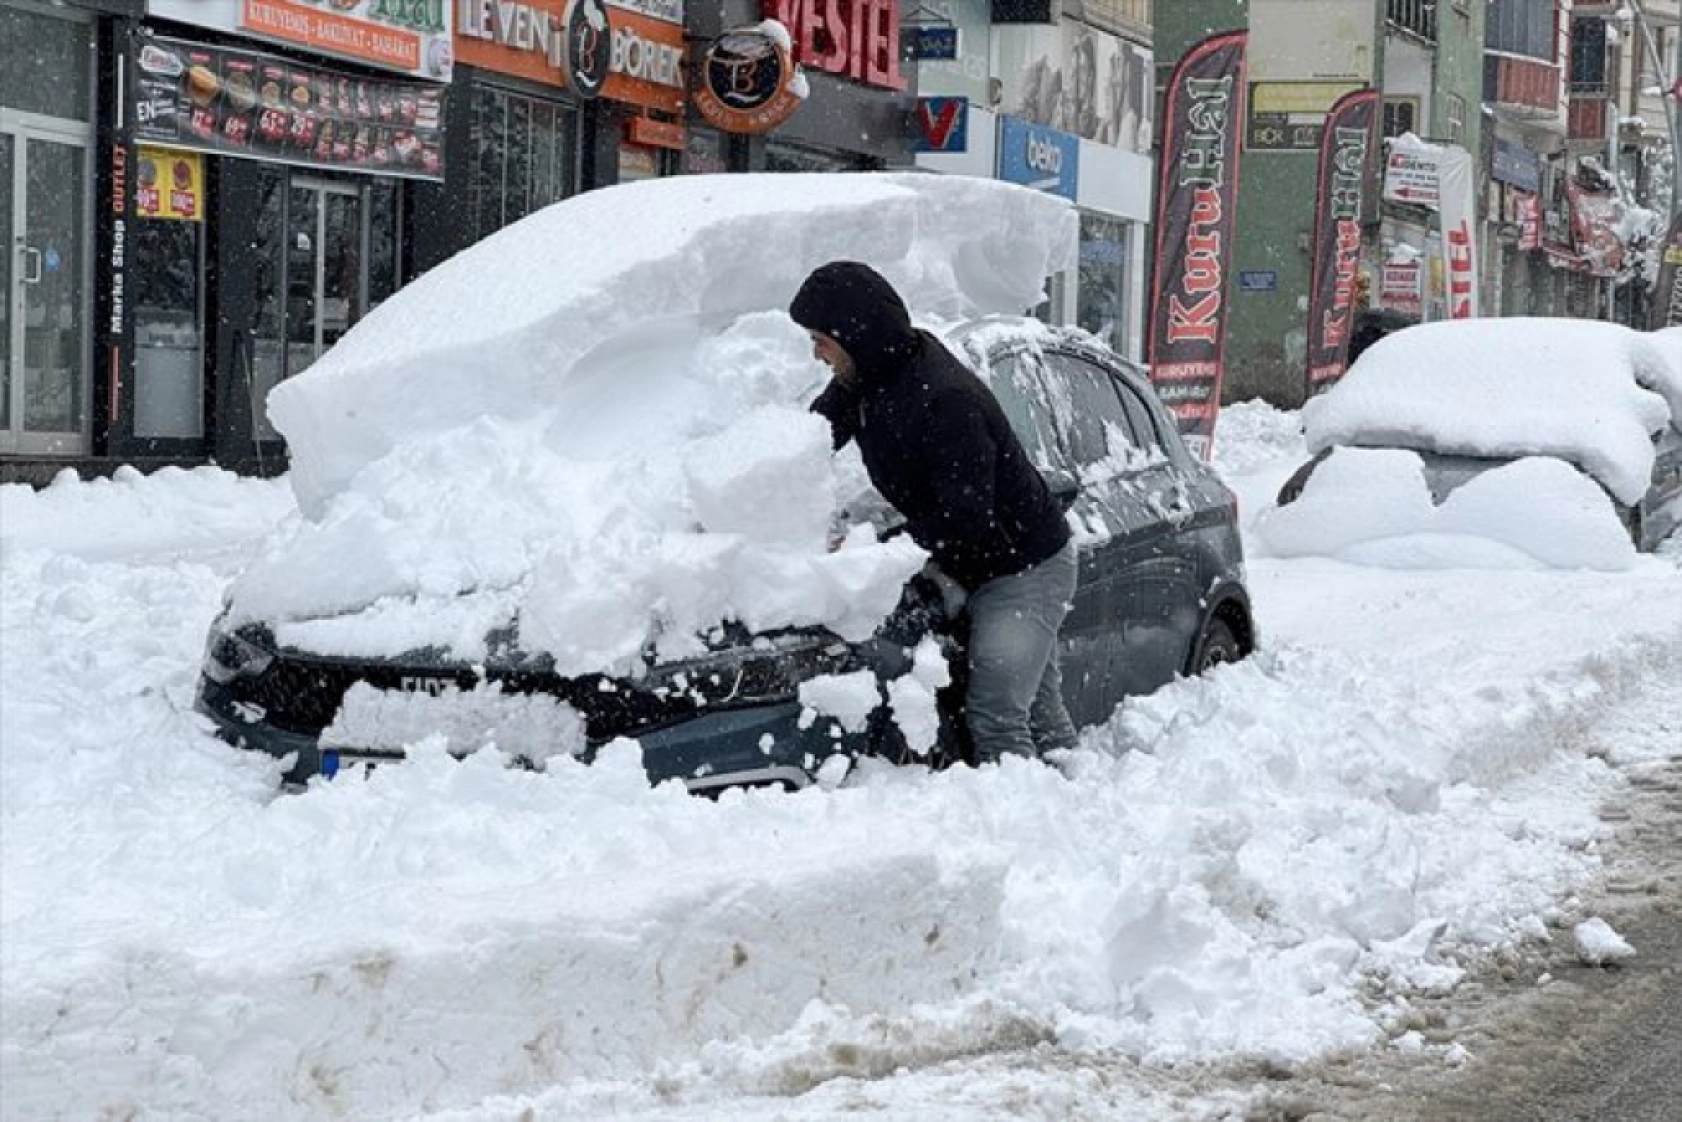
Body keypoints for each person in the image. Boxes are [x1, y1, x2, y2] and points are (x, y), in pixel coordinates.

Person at [789, 261, 1078, 765]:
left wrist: (871, 550)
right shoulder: (867, 375)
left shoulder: (946, 400)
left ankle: (1024, 831)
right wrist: (752, 497)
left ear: (852, 335)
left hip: (1021, 569)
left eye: (821, 340)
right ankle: (1069, 799)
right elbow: (808, 446)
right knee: (1039, 712)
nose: (816, 354)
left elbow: (967, 518)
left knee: (996, 714)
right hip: (969, 562)